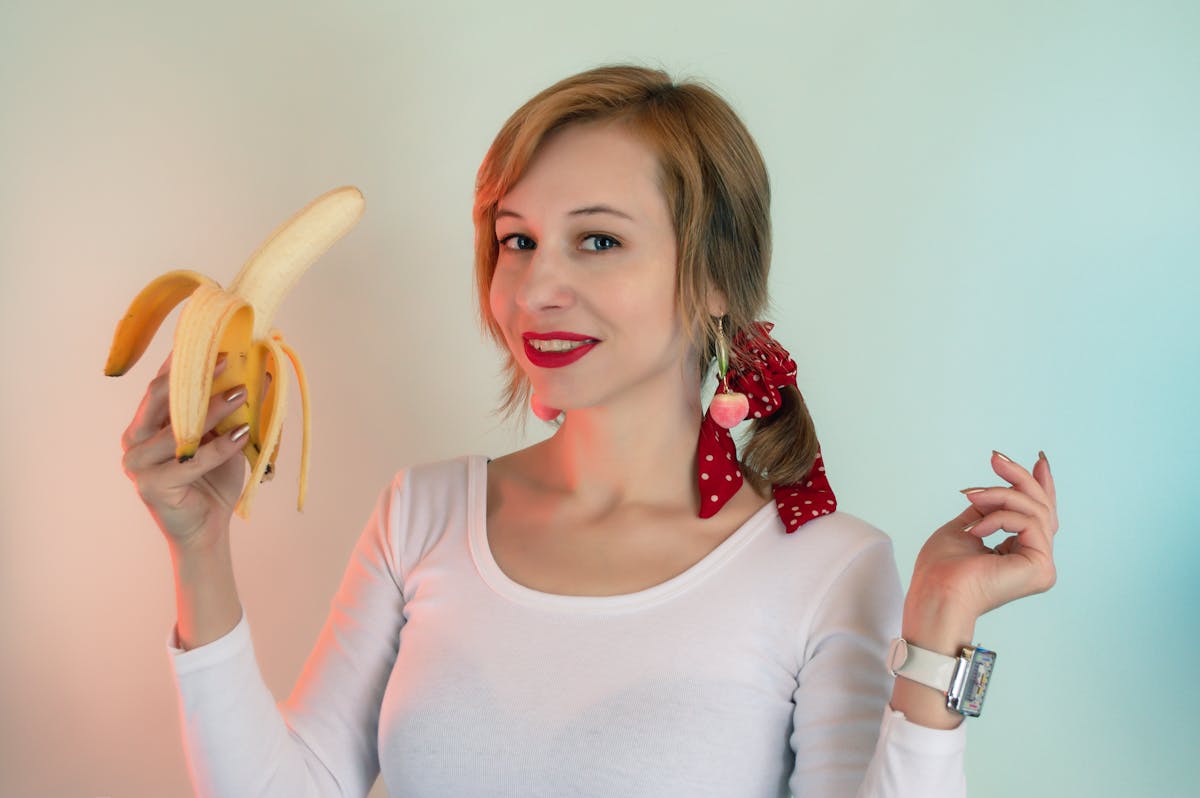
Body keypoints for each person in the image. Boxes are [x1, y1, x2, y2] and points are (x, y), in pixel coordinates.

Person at [120, 65, 1059, 797]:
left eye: (598, 240)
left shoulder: (826, 565)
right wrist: (199, 549)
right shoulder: (422, 514)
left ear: (716, 278)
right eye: (517, 240)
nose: (535, 287)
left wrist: (940, 633)